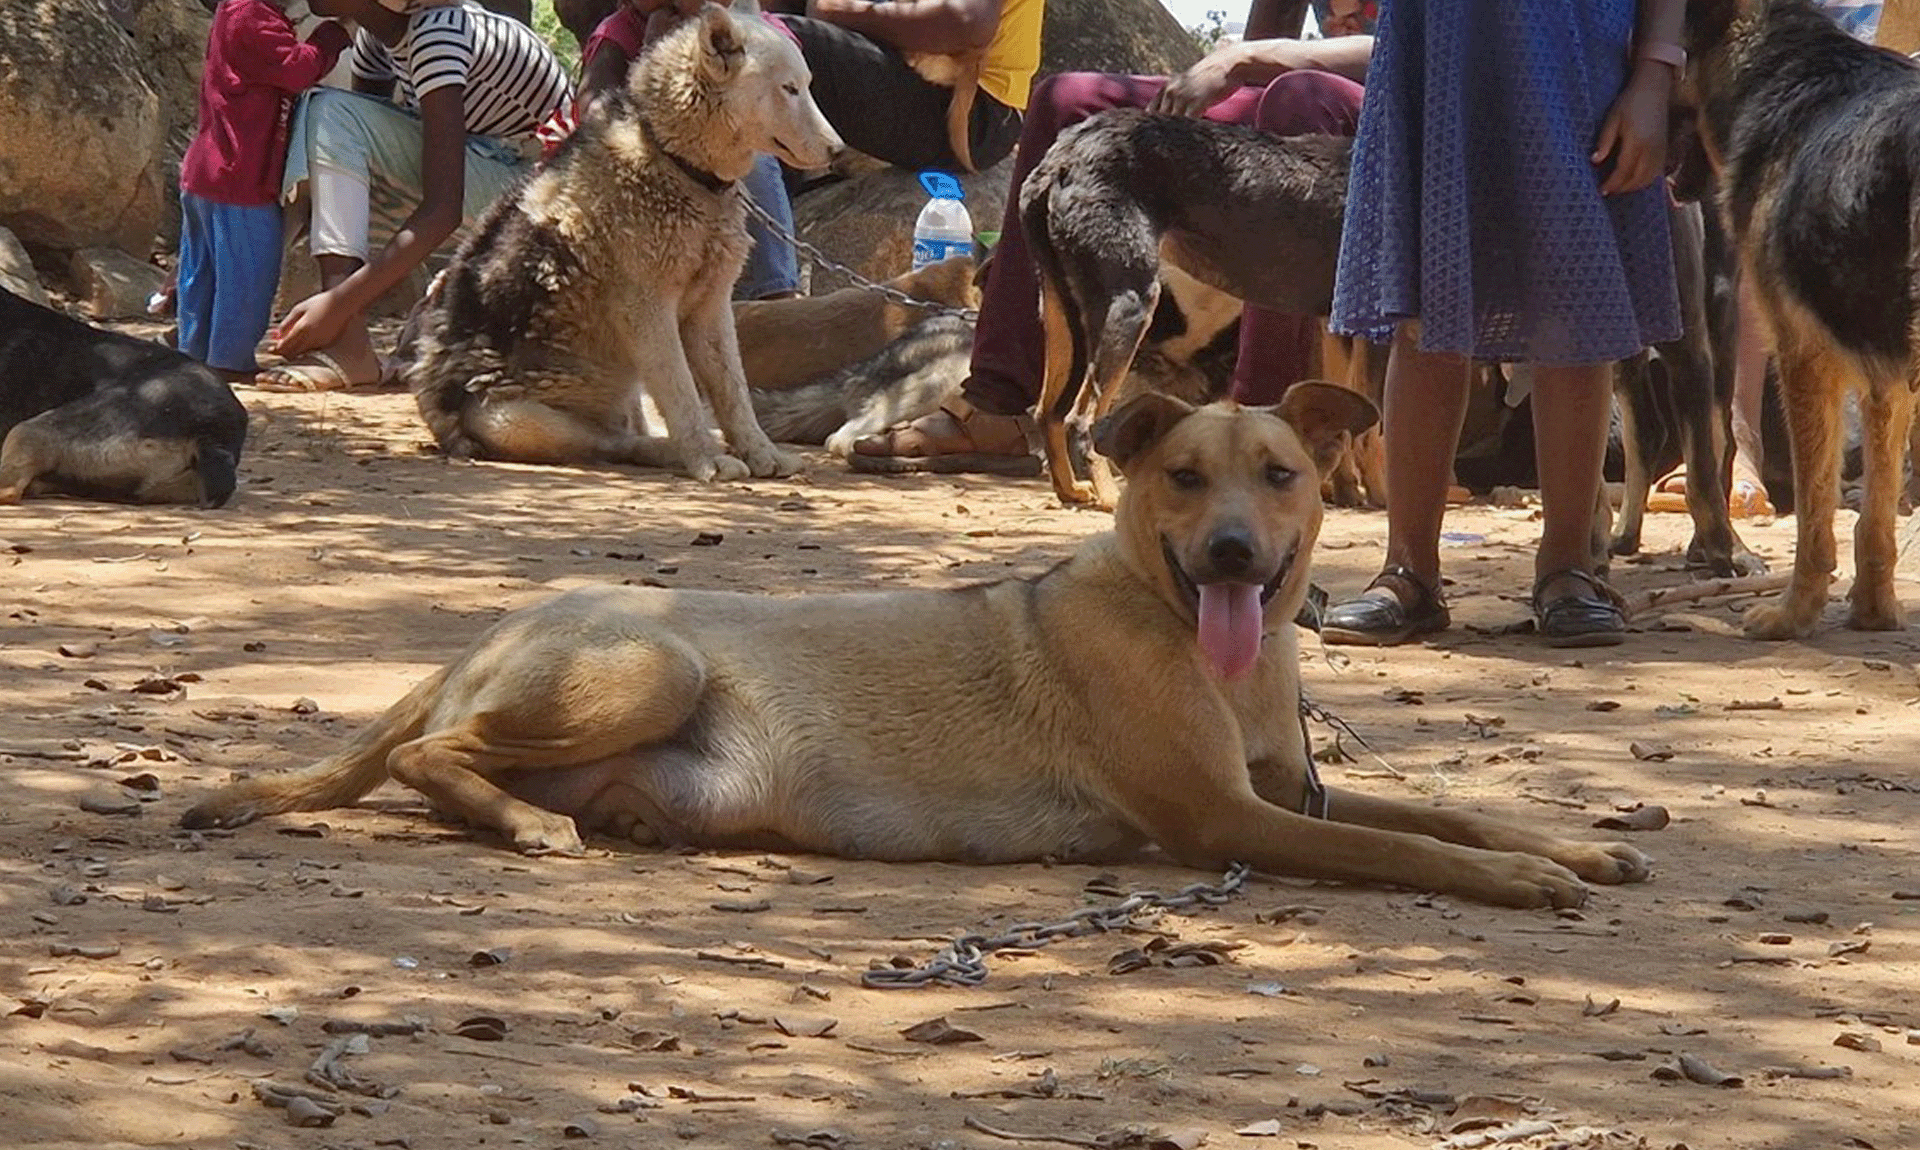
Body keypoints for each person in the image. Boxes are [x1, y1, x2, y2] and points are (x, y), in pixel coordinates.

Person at [848, 0, 1372, 473]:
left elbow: (1394, 53)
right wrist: (1228, 83)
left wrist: (1244, 59)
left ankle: (1261, 435)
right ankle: (997, 403)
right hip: (1297, 70)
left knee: (1299, 98)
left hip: (1392, 112)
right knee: (1067, 99)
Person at [1319, 0, 1684, 649]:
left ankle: (1569, 565)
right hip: (1438, 48)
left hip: (1575, 55)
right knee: (1429, 303)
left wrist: (1657, 72)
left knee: (1573, 303)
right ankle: (1409, 571)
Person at [260, 0, 574, 391]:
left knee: (330, 113)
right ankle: (352, 341)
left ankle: (347, 345)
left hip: (540, 207)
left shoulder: (436, 34)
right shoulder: (377, 39)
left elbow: (443, 210)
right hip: (495, 177)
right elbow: (358, 170)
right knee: (333, 130)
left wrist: (339, 303)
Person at [175, 0, 353, 382]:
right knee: (248, 276)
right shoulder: (252, 16)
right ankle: (229, 362)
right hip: (240, 178)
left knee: (201, 276)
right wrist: (333, 34)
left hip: (207, 172)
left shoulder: (236, 10)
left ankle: (192, 358)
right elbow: (297, 69)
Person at [576, 0, 802, 301]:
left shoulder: (743, 25)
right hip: (659, 181)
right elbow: (595, 116)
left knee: (753, 160)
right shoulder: (619, 32)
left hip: (752, 161)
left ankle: (776, 289)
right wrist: (652, 53)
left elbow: (789, 62)